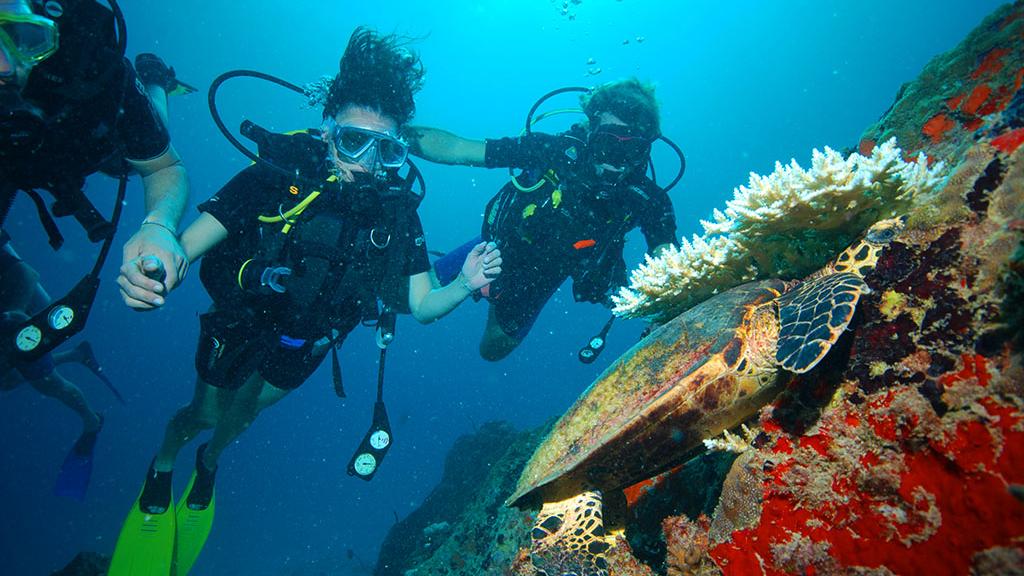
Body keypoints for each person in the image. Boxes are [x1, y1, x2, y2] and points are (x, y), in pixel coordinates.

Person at [109, 27, 501, 575]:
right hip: (240, 320)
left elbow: (421, 305)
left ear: (398, 152)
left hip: (308, 340)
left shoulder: (396, 212)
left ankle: (209, 464)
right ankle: (164, 464)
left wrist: (464, 281)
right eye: (351, 140)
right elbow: (191, 241)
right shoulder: (279, 174)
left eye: (385, 148)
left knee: (243, 414)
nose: (366, 162)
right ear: (326, 132)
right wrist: (159, 260)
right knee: (203, 410)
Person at [404, 78, 677, 361]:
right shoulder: (551, 151)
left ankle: (496, 296)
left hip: (548, 272)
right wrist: (392, 136)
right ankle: (476, 282)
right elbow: (460, 148)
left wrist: (671, 308)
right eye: (608, 144)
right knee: (404, 298)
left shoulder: (647, 198)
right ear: (590, 131)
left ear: (645, 150)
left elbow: (667, 256)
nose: (616, 162)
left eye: (631, 149)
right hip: (500, 244)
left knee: (492, 350)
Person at [0, 0, 190, 320]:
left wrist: (159, 225)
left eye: (23, 38)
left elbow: (164, 165)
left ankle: (155, 79)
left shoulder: (95, 68)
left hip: (88, 145)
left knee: (132, 157)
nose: (3, 66)